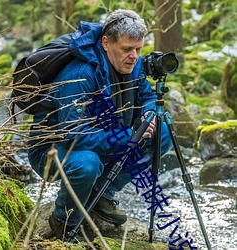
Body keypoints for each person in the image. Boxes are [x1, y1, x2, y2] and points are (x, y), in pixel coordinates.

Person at [28, 9, 173, 241]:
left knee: (162, 132)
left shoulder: (132, 64)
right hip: (54, 150)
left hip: (106, 136)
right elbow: (74, 135)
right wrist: (129, 135)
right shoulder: (79, 75)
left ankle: (102, 194)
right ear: (106, 43)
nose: (134, 56)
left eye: (139, 49)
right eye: (127, 49)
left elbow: (146, 96)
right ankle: (63, 221)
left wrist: (149, 114)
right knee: (87, 164)